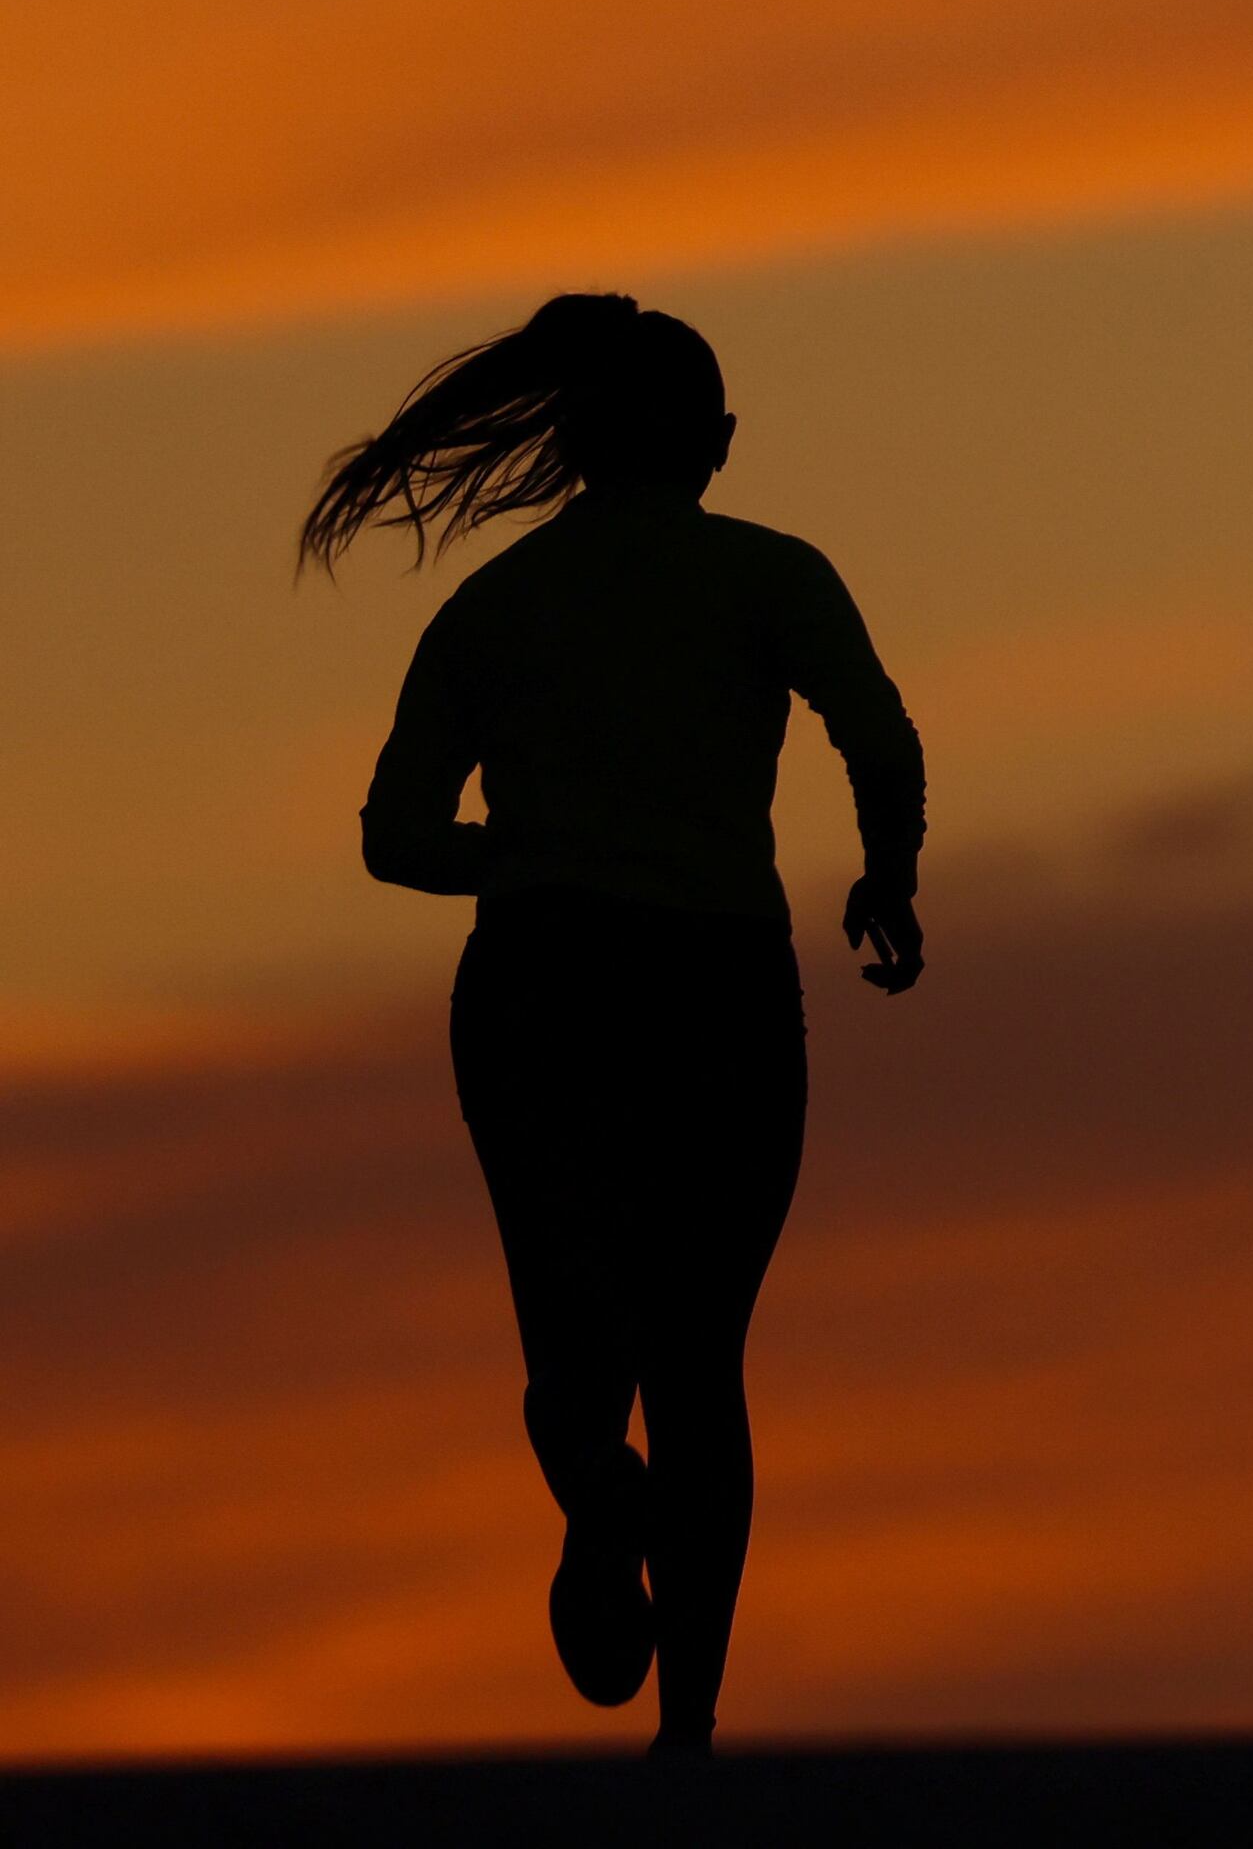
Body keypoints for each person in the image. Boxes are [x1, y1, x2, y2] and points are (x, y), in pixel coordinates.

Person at [306, 293, 926, 1760]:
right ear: (718, 444)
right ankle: (690, 1735)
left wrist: (522, 857)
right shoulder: (770, 575)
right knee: (699, 1360)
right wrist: (885, 875)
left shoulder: (498, 606)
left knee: (573, 1350)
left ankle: (603, 1501)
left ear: (573, 445)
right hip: (717, 990)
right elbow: (876, 732)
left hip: (545, 988)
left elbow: (396, 838)